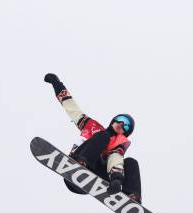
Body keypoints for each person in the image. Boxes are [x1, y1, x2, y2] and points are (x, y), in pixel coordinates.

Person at [43, 73, 142, 203]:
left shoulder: (119, 143)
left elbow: (115, 159)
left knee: (131, 162)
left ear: (126, 133)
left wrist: (116, 179)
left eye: (127, 126)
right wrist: (56, 83)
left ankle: (132, 197)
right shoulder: (91, 126)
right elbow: (72, 108)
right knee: (103, 136)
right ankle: (81, 163)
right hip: (77, 162)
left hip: (94, 177)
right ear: (114, 120)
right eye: (121, 120)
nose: (122, 124)